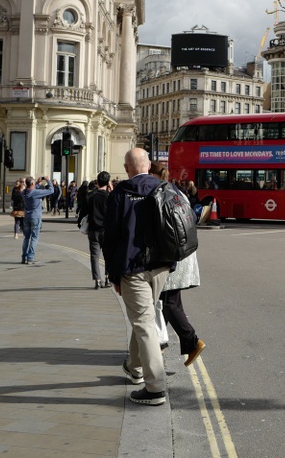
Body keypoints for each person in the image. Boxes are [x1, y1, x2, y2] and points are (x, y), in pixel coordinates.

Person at [103, 147, 172, 406]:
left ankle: (155, 388)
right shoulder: (165, 187)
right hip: (162, 265)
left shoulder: (121, 193)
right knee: (144, 317)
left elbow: (110, 237)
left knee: (143, 323)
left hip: (133, 268)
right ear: (149, 165)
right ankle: (135, 367)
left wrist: (113, 275)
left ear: (128, 167)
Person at [151, 162, 206, 367]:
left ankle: (191, 341)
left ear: (152, 175)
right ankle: (158, 344)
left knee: (168, 302)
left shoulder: (159, 194)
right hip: (185, 253)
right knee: (167, 302)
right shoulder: (176, 191)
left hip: (173, 256)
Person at [82, 171, 112, 289]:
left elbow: (84, 212)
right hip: (107, 230)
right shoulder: (110, 197)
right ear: (108, 182)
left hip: (93, 229)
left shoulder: (91, 196)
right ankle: (108, 278)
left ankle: (97, 280)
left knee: (94, 256)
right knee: (108, 255)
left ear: (97, 182)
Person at [21, 176, 54, 264]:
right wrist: (48, 180)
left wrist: (37, 183)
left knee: (26, 238)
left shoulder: (23, 192)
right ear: (32, 184)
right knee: (34, 238)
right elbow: (51, 190)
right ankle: (31, 257)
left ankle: (24, 257)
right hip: (35, 216)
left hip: (26, 216)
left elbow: (31, 188)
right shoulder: (35, 192)